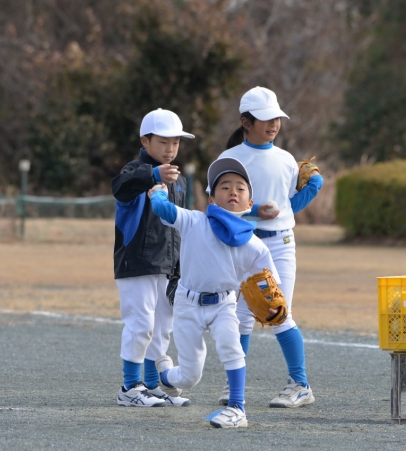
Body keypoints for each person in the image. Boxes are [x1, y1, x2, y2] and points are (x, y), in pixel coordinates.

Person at [151, 157, 281, 428]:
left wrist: (274, 306)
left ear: (249, 203)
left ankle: (237, 408)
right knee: (189, 377)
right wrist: (159, 193)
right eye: (224, 186)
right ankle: (165, 376)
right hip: (188, 304)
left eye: (240, 188)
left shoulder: (254, 245)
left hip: (224, 305)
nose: (233, 191)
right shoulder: (194, 221)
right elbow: (163, 210)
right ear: (211, 199)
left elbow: (270, 286)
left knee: (232, 348)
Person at [214, 86, 323, 408]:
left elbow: (286, 209)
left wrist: (312, 188)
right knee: (240, 317)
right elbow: (217, 206)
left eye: (277, 118)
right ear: (246, 122)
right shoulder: (229, 160)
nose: (274, 124)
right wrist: (254, 210)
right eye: (266, 118)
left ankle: (300, 385)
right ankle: (235, 384)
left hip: (280, 244)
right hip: (243, 243)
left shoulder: (286, 160)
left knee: (278, 312)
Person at [111, 108, 193, 407]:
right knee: (140, 324)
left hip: (167, 266)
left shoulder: (178, 181)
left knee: (161, 328)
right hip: (137, 263)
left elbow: (180, 225)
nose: (171, 149)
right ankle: (130, 388)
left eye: (176, 142)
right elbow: (120, 187)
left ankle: (151, 385)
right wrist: (153, 175)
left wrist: (180, 264)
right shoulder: (135, 171)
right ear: (145, 141)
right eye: (163, 142)